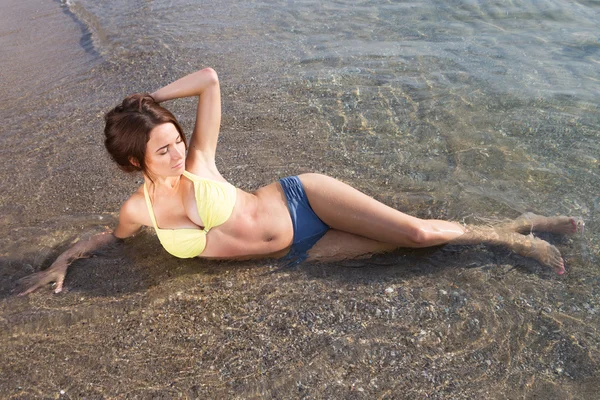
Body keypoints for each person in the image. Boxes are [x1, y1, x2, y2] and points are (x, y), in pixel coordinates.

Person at [18, 68, 584, 295]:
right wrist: (63, 264)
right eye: (162, 150)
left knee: (414, 234)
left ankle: (517, 239)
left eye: (177, 139)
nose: (177, 150)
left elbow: (211, 81)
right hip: (301, 254)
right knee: (414, 251)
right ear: (134, 164)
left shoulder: (201, 161)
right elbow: (106, 238)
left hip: (302, 200)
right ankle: (514, 223)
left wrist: (149, 104)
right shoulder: (137, 211)